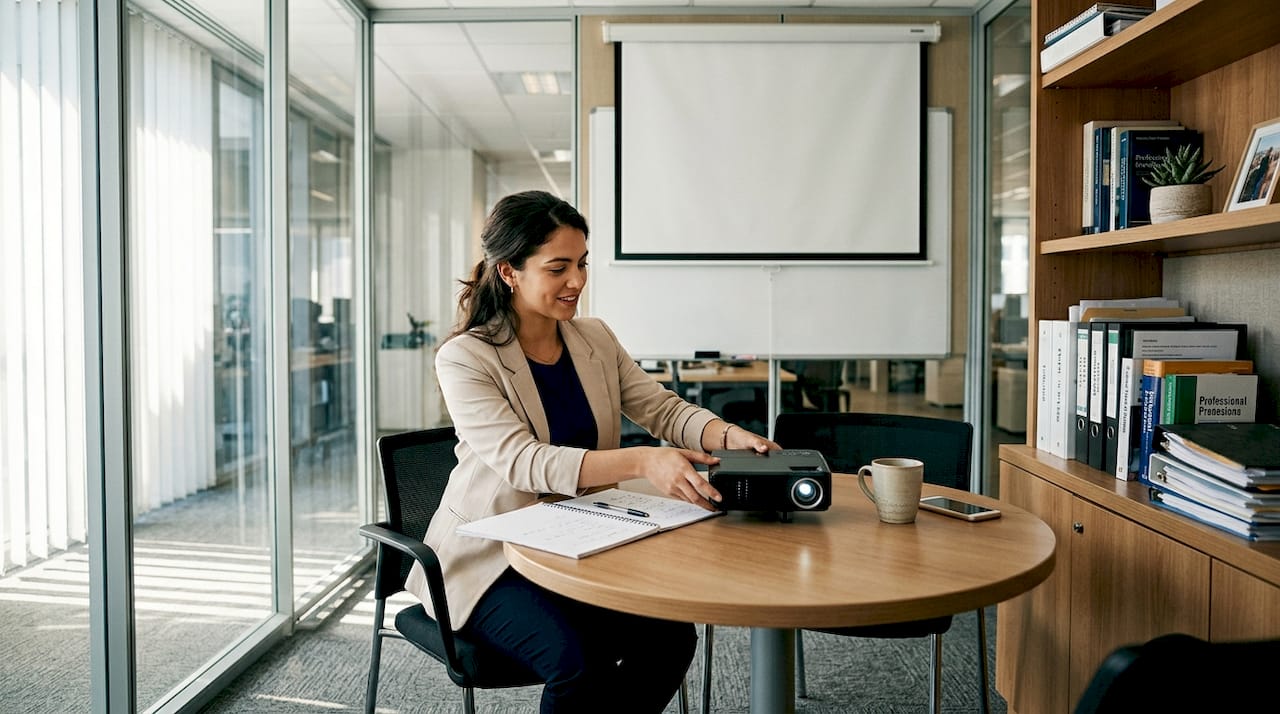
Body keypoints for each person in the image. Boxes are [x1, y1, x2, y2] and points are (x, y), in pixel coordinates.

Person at [405, 190, 778, 713]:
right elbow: (523, 460)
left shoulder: (595, 339)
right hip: (490, 557)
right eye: (558, 268)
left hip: (584, 536)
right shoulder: (466, 357)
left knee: (671, 638)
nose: (577, 281)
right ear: (510, 271)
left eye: (581, 264)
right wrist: (643, 460)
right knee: (575, 661)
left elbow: (662, 409)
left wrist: (726, 434)